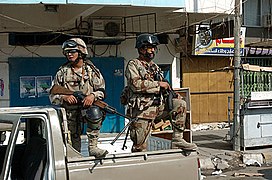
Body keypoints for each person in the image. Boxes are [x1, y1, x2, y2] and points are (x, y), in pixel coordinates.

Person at [123, 33, 197, 152]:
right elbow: (136, 85)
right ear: (141, 49)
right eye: (149, 47)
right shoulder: (133, 65)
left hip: (158, 106)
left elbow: (164, 85)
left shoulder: (154, 67)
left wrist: (173, 94)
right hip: (143, 110)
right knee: (140, 146)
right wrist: (158, 85)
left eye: (154, 47)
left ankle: (178, 139)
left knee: (180, 104)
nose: (152, 50)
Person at [49, 37, 108, 158]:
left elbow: (101, 90)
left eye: (72, 51)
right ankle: (74, 154)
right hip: (69, 111)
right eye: (67, 52)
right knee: (72, 137)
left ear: (81, 52)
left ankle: (93, 147)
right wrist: (64, 97)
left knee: (95, 112)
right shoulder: (62, 72)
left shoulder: (91, 70)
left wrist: (92, 96)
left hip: (87, 109)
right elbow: (52, 94)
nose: (69, 54)